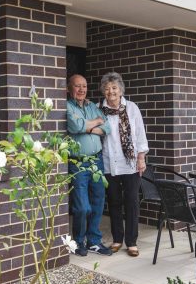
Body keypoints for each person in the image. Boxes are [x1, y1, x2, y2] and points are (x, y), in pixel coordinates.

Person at [99, 72, 149, 257]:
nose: (110, 91)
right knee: (114, 202)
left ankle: (132, 242)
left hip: (130, 163)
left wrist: (141, 158)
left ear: (120, 90)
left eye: (114, 88)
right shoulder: (99, 109)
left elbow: (140, 135)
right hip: (108, 163)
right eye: (107, 88)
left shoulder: (132, 108)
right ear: (103, 91)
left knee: (132, 202)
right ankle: (117, 239)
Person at [67, 74, 112, 256]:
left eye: (84, 86)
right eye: (77, 86)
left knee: (98, 201)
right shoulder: (67, 106)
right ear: (69, 88)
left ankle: (93, 241)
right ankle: (78, 242)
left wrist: (88, 127)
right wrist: (94, 124)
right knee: (82, 207)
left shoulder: (92, 106)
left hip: (96, 160)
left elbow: (107, 126)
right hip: (78, 163)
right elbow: (75, 126)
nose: (81, 90)